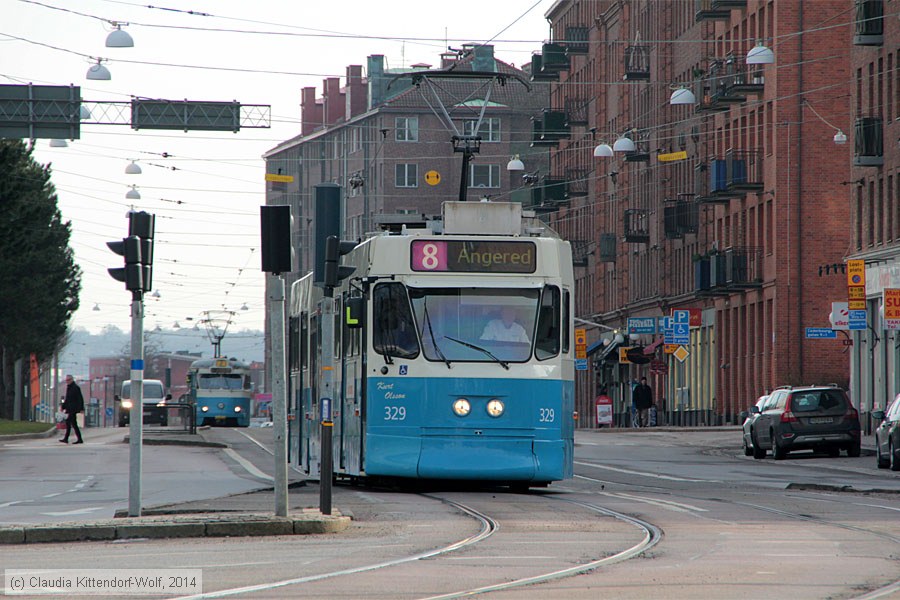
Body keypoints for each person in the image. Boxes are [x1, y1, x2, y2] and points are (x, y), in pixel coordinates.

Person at [60, 374, 84, 444]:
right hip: (69, 408)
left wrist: (81, 408)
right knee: (73, 424)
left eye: (68, 380)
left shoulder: (75, 388)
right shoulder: (69, 388)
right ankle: (79, 439)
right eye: (66, 380)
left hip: (73, 409)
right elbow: (67, 399)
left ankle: (66, 438)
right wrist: (63, 406)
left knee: (69, 422)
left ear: (72, 380)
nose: (67, 381)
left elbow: (80, 399)